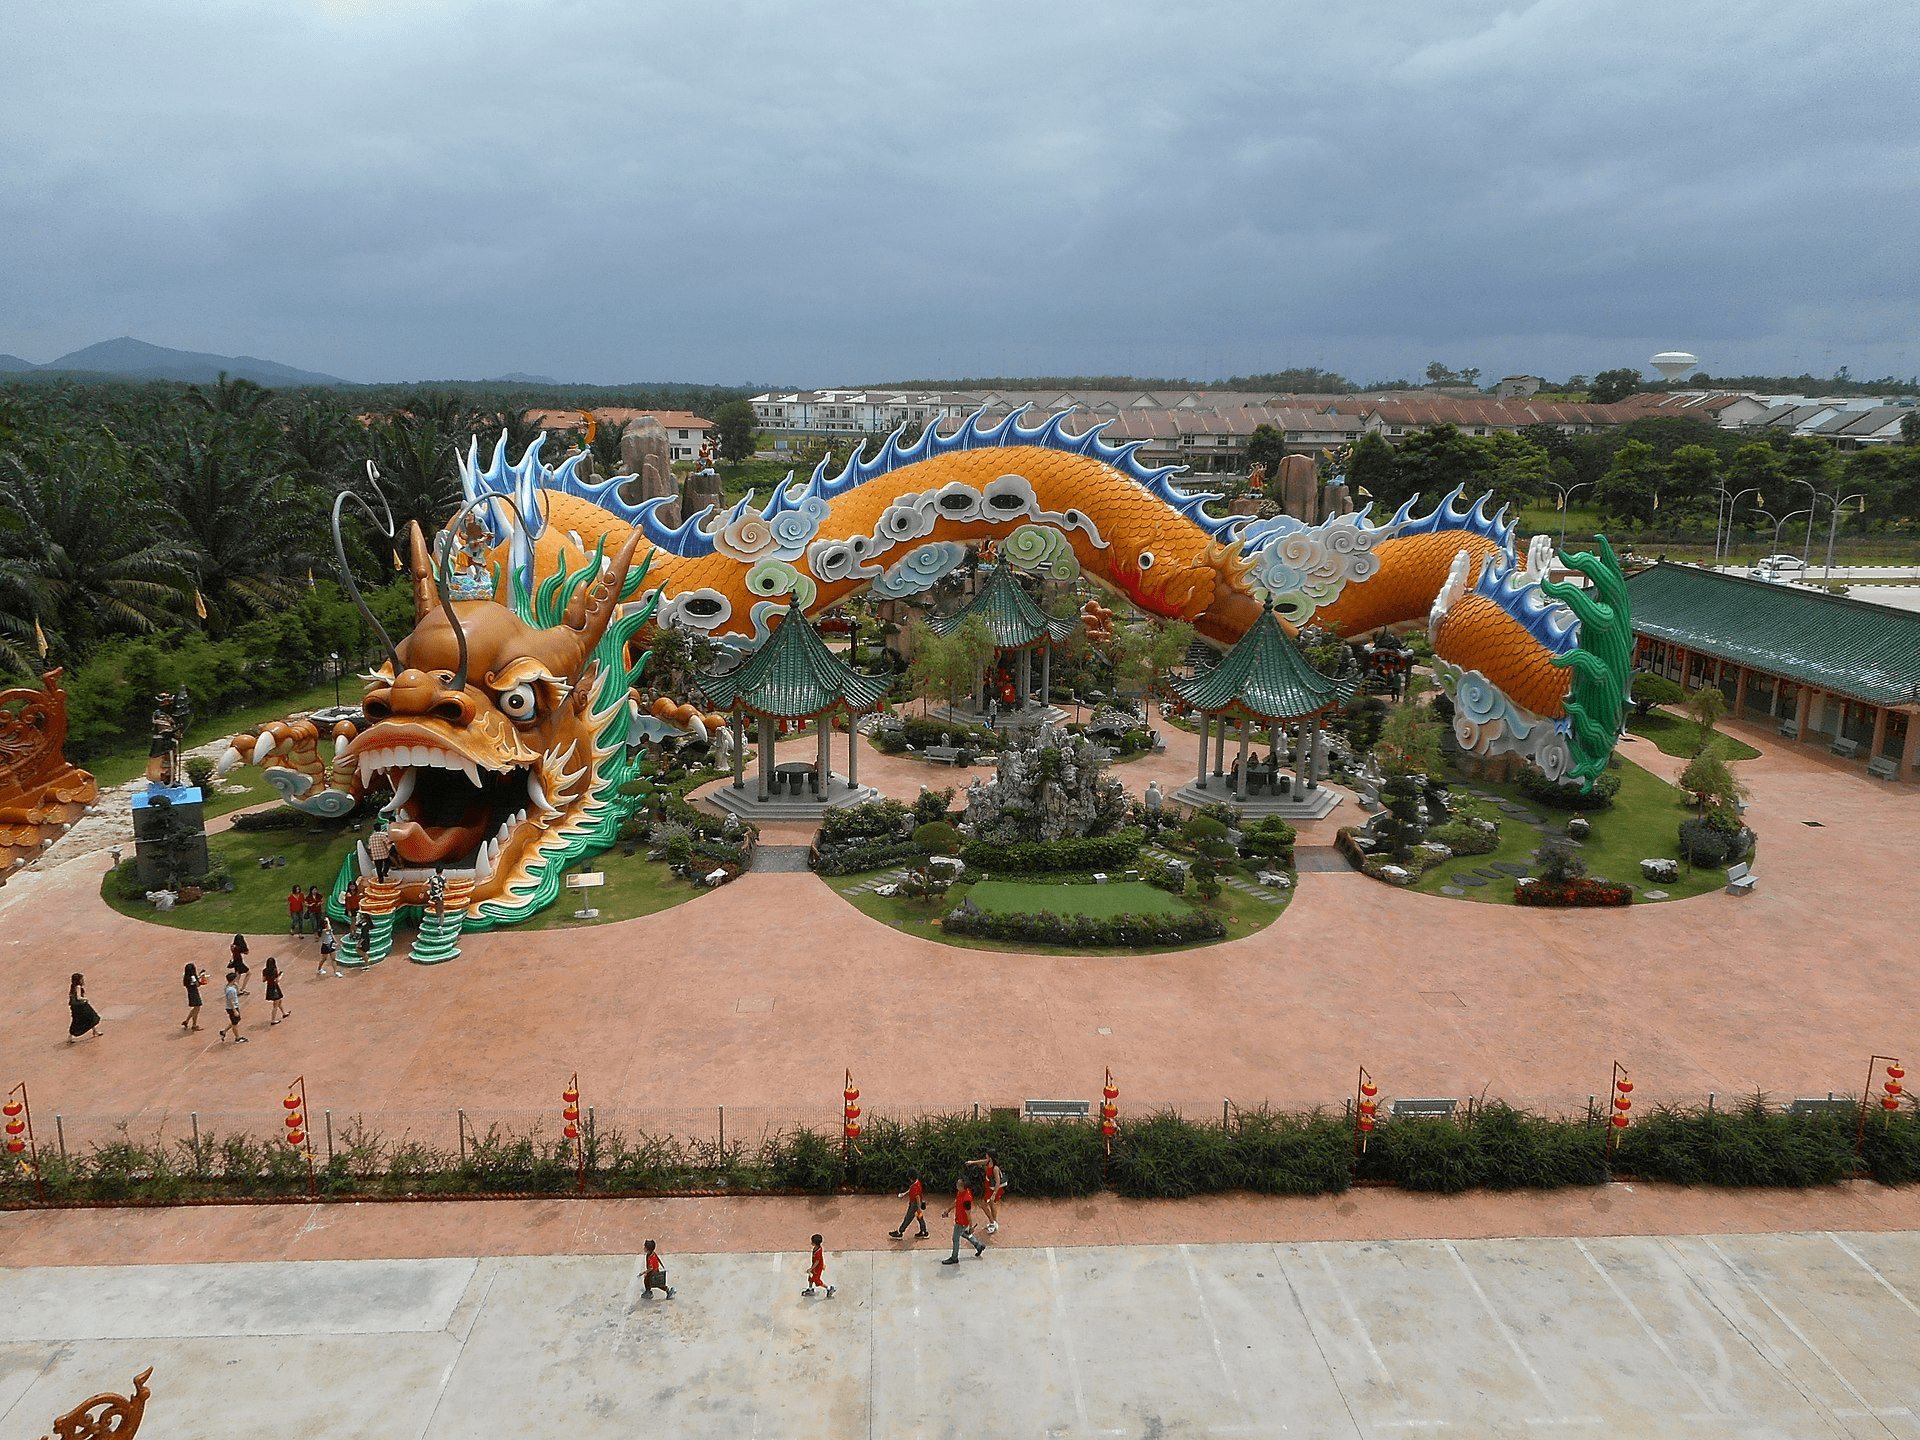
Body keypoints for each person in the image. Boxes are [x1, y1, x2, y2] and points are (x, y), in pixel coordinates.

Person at [941, 1175, 985, 1264]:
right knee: (965, 1234)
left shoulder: (966, 1199)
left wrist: (971, 1226)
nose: (957, 1185)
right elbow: (956, 1202)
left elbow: (969, 1214)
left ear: (963, 1187)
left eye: (958, 1184)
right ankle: (979, 1245)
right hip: (960, 1220)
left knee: (955, 1238)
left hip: (961, 1222)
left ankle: (954, 1257)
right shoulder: (960, 1193)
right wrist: (948, 1210)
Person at [967, 1149, 1009, 1235]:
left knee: (984, 1204)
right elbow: (981, 1162)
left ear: (990, 1156)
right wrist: (972, 1162)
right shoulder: (988, 1162)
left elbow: (997, 1182)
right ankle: (993, 1222)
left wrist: (994, 1194)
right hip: (988, 1186)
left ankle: (992, 1222)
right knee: (991, 1204)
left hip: (994, 1189)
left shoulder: (995, 1168)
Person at [889, 1173, 929, 1240]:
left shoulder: (914, 1187)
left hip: (914, 1204)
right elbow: (911, 1189)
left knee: (908, 1218)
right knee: (920, 1217)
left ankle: (900, 1231)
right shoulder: (917, 1183)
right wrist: (904, 1194)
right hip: (915, 1203)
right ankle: (923, 1231)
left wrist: (919, 1208)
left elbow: (917, 1197)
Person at [67, 973, 102, 1043]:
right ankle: (95, 1032)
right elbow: (79, 997)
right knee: (92, 1017)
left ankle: (70, 1038)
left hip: (75, 1007)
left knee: (76, 1021)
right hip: (81, 1006)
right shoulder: (78, 987)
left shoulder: (72, 986)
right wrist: (85, 999)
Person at [220, 973, 247, 1042]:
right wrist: (234, 1010)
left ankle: (224, 1031)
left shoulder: (230, 987)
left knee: (235, 1021)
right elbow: (230, 1001)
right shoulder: (230, 990)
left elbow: (237, 993)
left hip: (234, 1006)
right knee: (235, 1024)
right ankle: (237, 1038)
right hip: (232, 1007)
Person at [265, 957, 290, 1024]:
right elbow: (277, 980)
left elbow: (263, 980)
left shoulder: (265, 970)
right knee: (275, 1005)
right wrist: (281, 975)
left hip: (269, 987)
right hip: (274, 987)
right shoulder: (274, 970)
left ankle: (284, 1013)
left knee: (279, 1001)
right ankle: (273, 1020)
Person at [181, 962, 205, 1032]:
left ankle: (187, 1021)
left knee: (195, 1008)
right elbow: (197, 984)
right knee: (197, 1008)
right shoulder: (193, 977)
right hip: (194, 993)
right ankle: (194, 1025)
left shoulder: (186, 977)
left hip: (190, 993)